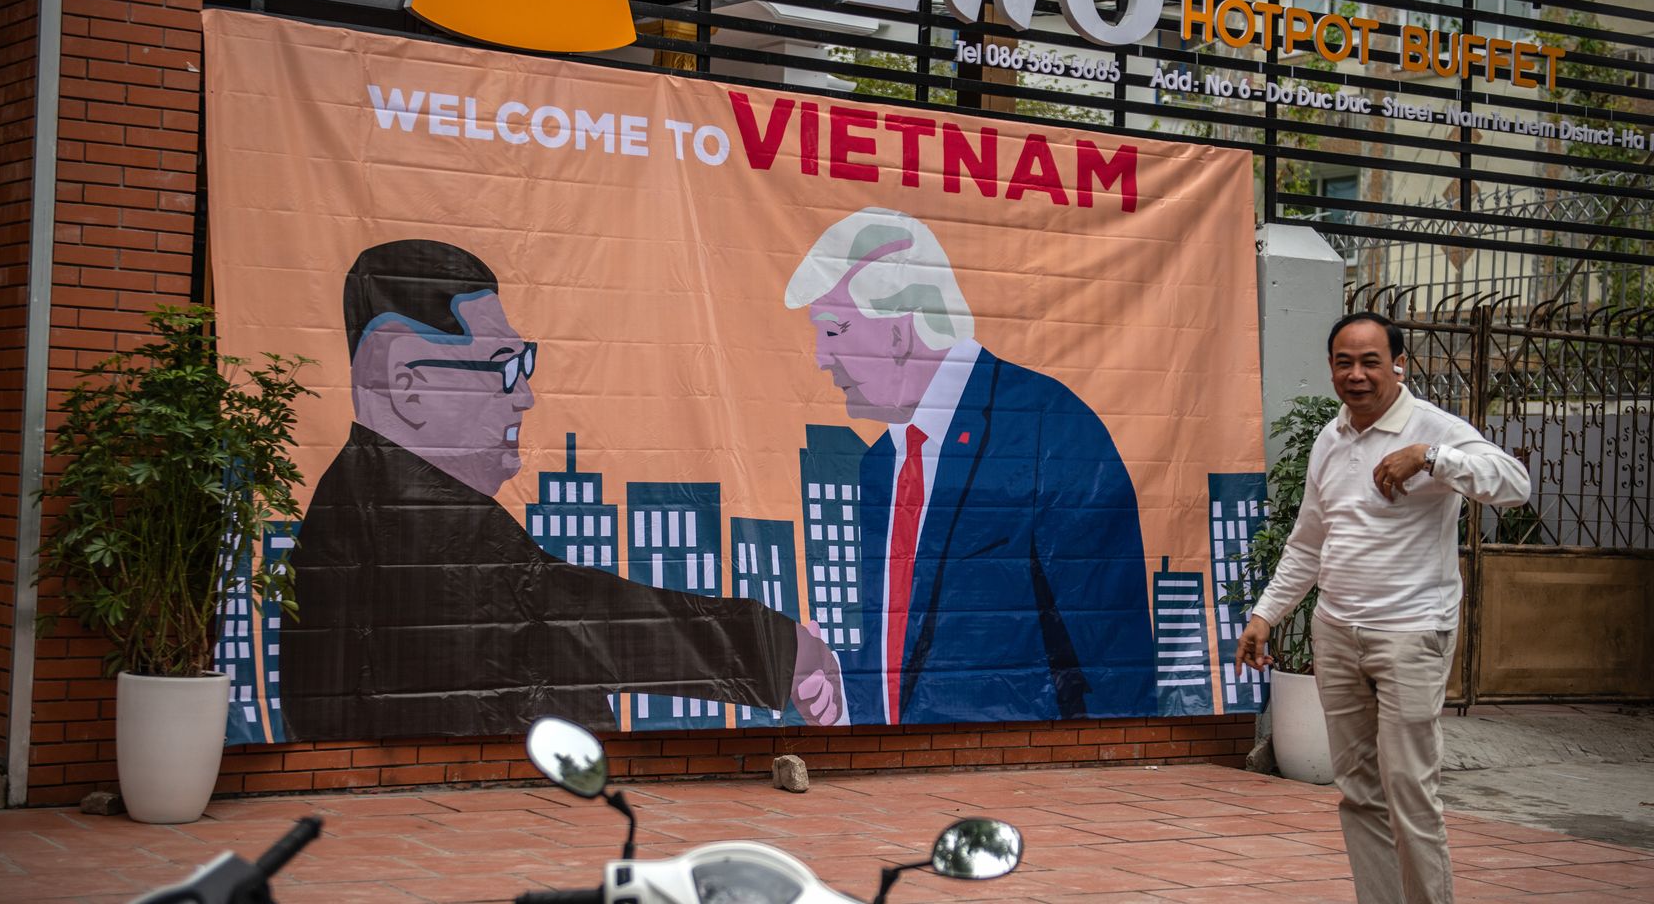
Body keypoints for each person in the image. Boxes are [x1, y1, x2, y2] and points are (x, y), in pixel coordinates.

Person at [281, 239, 841, 740]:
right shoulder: (411, 516)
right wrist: (777, 649)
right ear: (407, 385)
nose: (524, 396)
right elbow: (575, 616)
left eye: (525, 363)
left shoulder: (377, 497)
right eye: (503, 368)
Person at [783, 207, 1155, 725]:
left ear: (899, 331)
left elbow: (1111, 653)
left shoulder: (1050, 427)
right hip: (903, 786)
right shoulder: (879, 466)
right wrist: (842, 694)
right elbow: (903, 656)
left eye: (835, 330)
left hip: (1026, 785)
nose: (821, 357)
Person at [1237, 311, 1530, 904]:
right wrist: (1267, 614)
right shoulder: (1331, 436)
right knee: (1359, 791)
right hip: (1337, 633)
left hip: (1412, 635)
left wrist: (1430, 457)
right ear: (1331, 369)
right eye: (1344, 362)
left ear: (1399, 364)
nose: (1357, 374)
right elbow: (1308, 542)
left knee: (1409, 790)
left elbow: (1514, 483)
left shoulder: (1434, 428)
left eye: (1371, 361)